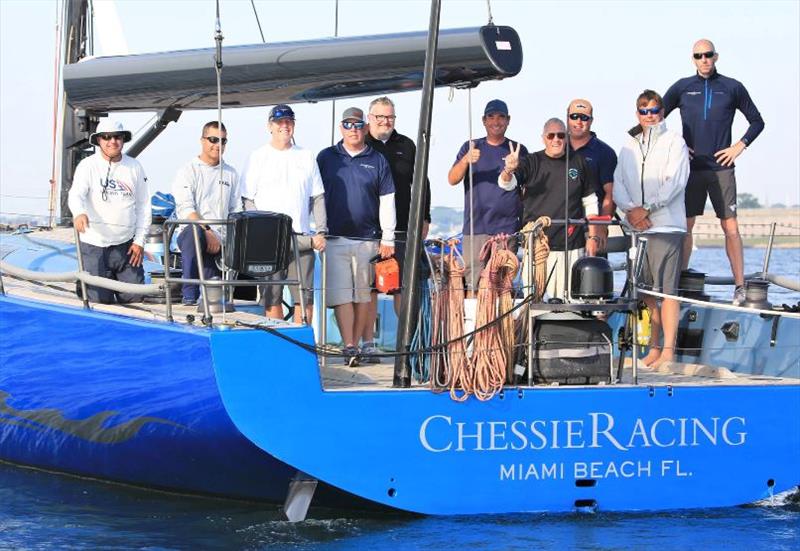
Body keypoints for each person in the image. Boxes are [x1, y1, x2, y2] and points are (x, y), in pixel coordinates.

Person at [663, 39, 765, 305]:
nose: (704, 59)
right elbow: (653, 118)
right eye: (699, 56)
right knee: (686, 227)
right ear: (693, 59)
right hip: (692, 170)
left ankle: (740, 287)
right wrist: (678, 146)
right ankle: (680, 283)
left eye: (708, 55)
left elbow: (757, 121)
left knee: (730, 226)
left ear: (716, 57)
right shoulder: (682, 87)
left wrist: (738, 147)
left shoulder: (732, 87)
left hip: (722, 168)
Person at [613, 90, 690, 366]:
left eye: (655, 110)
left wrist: (648, 208)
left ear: (662, 112)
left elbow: (675, 181)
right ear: (637, 114)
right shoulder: (628, 146)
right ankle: (653, 348)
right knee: (646, 293)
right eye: (644, 111)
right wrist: (631, 211)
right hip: (638, 229)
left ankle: (668, 350)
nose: (650, 116)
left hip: (666, 227)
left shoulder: (674, 142)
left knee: (666, 292)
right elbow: (618, 183)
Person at [317, 107, 395, 367]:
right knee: (342, 296)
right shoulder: (326, 157)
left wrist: (388, 238)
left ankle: (359, 345)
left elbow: (387, 200)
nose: (353, 130)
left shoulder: (378, 159)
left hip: (368, 239)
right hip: (334, 237)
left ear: (365, 127)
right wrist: (316, 229)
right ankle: (349, 345)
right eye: (348, 125)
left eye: (358, 125)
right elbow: (314, 196)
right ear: (341, 128)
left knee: (362, 295)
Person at [360, 96, 431, 362]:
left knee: (403, 288)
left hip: (402, 228)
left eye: (389, 117)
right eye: (379, 117)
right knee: (369, 290)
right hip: (368, 230)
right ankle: (367, 345)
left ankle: (408, 344)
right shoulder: (362, 144)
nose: (385, 121)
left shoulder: (408, 146)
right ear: (370, 118)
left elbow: (422, 182)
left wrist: (424, 217)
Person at [241, 104, 327, 323]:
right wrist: (261, 230)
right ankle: (279, 344)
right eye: (279, 122)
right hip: (269, 240)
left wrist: (321, 231)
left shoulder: (307, 156)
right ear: (270, 126)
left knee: (304, 297)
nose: (284, 126)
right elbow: (247, 200)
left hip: (301, 236)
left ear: (294, 125)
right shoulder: (257, 156)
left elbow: (317, 197)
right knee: (272, 297)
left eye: (289, 121)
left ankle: (301, 345)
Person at [499, 117, 600, 300]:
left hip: (571, 246)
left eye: (561, 135)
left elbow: (590, 202)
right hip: (537, 246)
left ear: (567, 137)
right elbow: (507, 184)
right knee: (534, 303)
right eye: (551, 135)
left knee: (570, 301)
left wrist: (592, 236)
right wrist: (509, 170)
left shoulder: (579, 162)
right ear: (543, 138)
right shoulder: (531, 162)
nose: (556, 140)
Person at [447, 99, 528, 296]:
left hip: (507, 231)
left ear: (508, 120)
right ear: (484, 120)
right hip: (476, 230)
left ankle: (502, 327)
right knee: (473, 287)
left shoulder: (518, 150)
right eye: (491, 116)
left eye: (501, 117)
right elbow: (452, 179)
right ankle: (476, 326)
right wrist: (466, 160)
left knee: (503, 288)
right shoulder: (471, 146)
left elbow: (526, 190)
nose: (496, 121)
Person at [68, 119, 151, 304]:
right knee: (99, 302)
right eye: (106, 137)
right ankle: (84, 284)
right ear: (98, 140)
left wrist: (139, 241)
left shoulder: (135, 167)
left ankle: (112, 278)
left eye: (117, 137)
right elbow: (75, 195)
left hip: (126, 245)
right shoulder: (87, 165)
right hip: (94, 244)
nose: (112, 141)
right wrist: (79, 212)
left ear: (123, 139)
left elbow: (144, 206)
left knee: (135, 298)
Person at [172, 121, 240, 306]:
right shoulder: (187, 171)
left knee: (214, 299)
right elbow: (186, 209)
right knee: (194, 233)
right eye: (213, 139)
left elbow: (235, 211)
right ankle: (189, 296)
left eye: (223, 141)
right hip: (195, 236)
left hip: (220, 243)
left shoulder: (231, 173)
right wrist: (208, 231)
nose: (218, 145)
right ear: (202, 140)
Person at [566, 98, 618, 253]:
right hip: (562, 228)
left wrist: (601, 228)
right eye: (574, 116)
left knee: (593, 275)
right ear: (567, 118)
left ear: (591, 120)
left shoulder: (605, 152)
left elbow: (611, 193)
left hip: (592, 229)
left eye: (584, 117)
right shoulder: (557, 147)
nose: (579, 121)